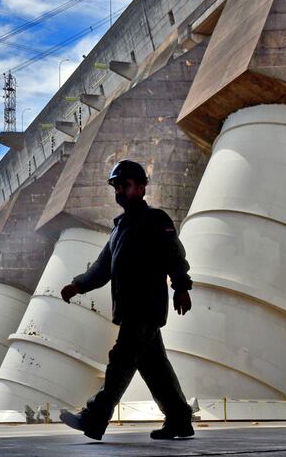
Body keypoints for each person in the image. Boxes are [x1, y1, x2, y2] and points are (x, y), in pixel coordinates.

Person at [58, 160, 194, 441]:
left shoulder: (156, 220)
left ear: (142, 188)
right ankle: (180, 419)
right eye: (117, 186)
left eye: (126, 185)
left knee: (120, 361)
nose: (120, 191)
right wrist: (78, 285)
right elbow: (103, 267)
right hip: (130, 308)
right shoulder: (119, 229)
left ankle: (94, 418)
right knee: (155, 368)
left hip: (146, 307)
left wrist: (182, 287)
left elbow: (174, 256)